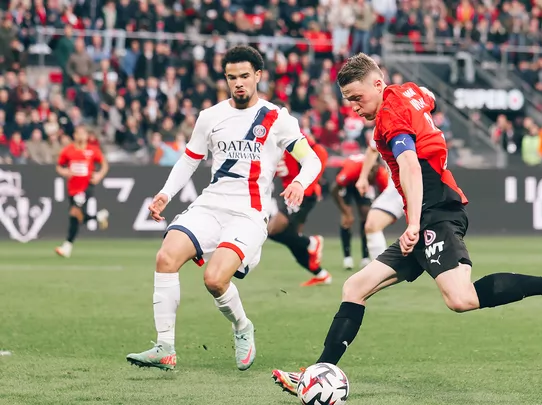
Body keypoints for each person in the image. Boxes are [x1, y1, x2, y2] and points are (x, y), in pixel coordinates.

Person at [271, 53, 542, 394]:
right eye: (349, 101)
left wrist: (414, 223)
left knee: (460, 299)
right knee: (354, 288)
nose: (355, 108)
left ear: (377, 84)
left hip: (438, 211)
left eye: (358, 98)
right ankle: (318, 372)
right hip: (431, 208)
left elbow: (411, 166)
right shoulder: (406, 92)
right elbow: (426, 97)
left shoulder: (390, 118)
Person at [126, 46, 322, 371]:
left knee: (215, 280)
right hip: (210, 205)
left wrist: (301, 182)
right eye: (232, 77)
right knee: (165, 257)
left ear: (258, 76)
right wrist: (165, 193)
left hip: (250, 213)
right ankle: (165, 347)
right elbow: (189, 160)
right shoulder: (210, 116)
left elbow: (311, 159)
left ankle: (242, 326)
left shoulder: (277, 118)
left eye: (245, 76)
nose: (239, 83)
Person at [264, 132, 333, 287]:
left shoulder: (289, 132)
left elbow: (319, 152)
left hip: (301, 192)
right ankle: (321, 274)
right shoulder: (267, 140)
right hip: (290, 192)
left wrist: (304, 187)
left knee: (273, 230)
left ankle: (311, 242)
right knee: (292, 239)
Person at [54, 125, 109, 258]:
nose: (81, 136)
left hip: (86, 187)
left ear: (86, 136)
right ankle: (97, 217)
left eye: (83, 133)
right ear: (74, 135)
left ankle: (67, 246)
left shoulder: (92, 150)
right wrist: (65, 171)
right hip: (72, 188)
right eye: (78, 133)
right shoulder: (68, 150)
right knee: (78, 216)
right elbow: (59, 166)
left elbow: (104, 164)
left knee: (74, 214)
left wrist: (99, 175)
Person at [331, 153, 388, 270]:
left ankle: (365, 257)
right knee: (347, 219)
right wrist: (345, 211)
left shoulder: (380, 174)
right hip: (348, 181)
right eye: (370, 169)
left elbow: (386, 195)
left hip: (363, 183)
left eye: (374, 169)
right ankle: (347, 258)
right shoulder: (352, 170)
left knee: (367, 216)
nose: (372, 173)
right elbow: (334, 189)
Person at [355, 140, 405, 261]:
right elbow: (373, 149)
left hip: (423, 183)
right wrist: (363, 177)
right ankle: (380, 272)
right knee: (372, 225)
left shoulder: (416, 122)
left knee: (434, 236)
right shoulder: (380, 124)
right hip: (397, 186)